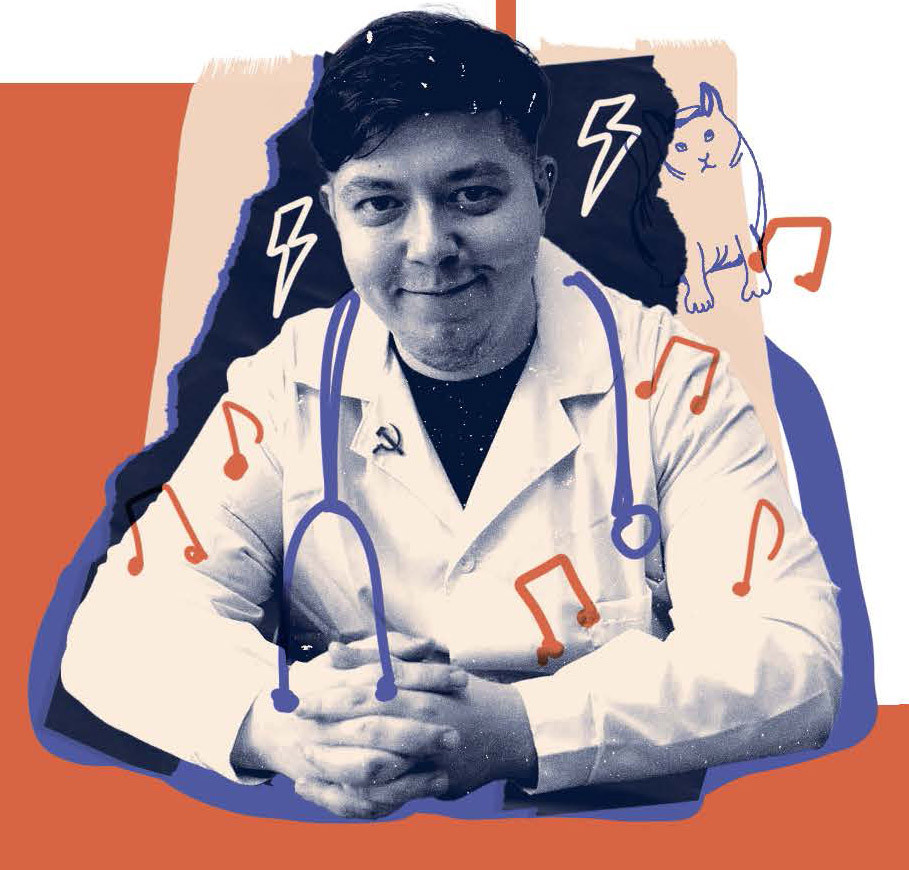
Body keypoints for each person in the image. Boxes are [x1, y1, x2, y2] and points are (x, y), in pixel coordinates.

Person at [59, 11, 842, 819]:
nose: (429, 245)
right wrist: (286, 728)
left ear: (541, 188)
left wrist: (517, 729)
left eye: (472, 195)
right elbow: (120, 629)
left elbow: (792, 654)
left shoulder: (676, 381)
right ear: (333, 212)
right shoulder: (283, 383)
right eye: (379, 204)